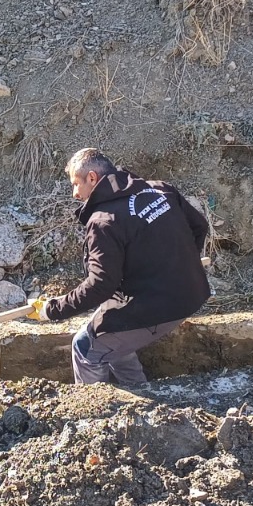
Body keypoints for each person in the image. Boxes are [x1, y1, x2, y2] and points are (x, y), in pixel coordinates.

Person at [27, 148, 210, 385]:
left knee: (85, 348)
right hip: (192, 291)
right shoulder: (159, 190)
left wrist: (51, 310)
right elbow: (200, 227)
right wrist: (180, 267)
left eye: (75, 184)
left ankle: (95, 410)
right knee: (113, 334)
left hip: (163, 307)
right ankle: (140, 391)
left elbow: (100, 285)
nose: (74, 193)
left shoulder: (104, 221)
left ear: (92, 178)